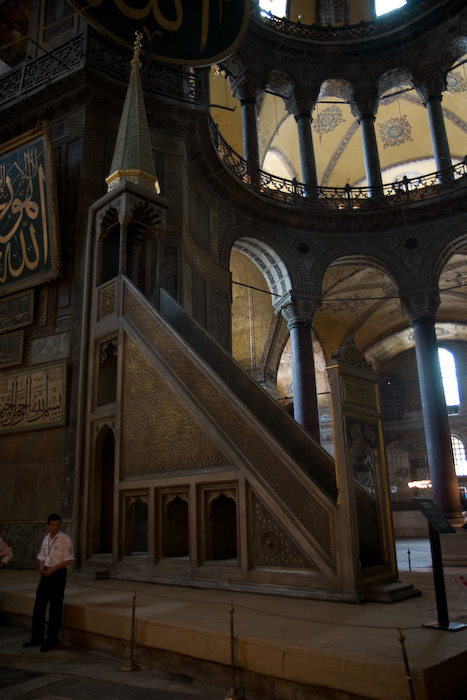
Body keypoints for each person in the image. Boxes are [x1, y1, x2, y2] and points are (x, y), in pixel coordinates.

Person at [23, 514, 74, 652]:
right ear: (48, 525)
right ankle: (36, 637)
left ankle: (52, 640)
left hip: (58, 573)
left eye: (58, 524)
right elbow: (42, 555)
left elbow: (68, 560)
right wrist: (41, 565)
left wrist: (53, 570)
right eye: (53, 525)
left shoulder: (65, 539)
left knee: (55, 608)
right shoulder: (46, 538)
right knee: (39, 605)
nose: (56, 527)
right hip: (46, 573)